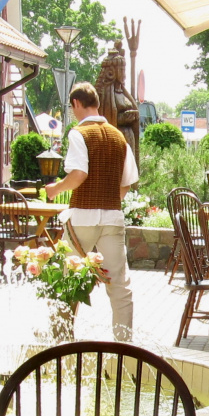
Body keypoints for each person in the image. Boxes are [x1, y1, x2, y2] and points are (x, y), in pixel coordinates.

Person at [43, 82, 137, 340]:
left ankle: (60, 340)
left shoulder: (78, 134)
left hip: (83, 217)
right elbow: (126, 183)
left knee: (66, 278)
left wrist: (55, 189)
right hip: (113, 218)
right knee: (120, 285)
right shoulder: (119, 137)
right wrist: (106, 200)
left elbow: (79, 174)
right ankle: (124, 346)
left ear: (76, 104)